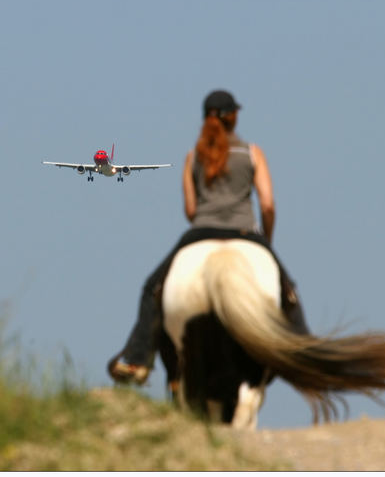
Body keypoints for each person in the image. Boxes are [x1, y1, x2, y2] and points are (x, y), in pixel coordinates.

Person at [107, 90, 309, 386]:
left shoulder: (192, 157)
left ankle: (137, 360)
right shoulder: (252, 153)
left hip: (200, 231)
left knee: (152, 289)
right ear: (234, 116)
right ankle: (303, 355)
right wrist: (266, 240)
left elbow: (190, 210)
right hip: (245, 232)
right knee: (288, 292)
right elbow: (267, 203)